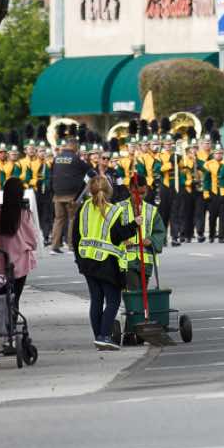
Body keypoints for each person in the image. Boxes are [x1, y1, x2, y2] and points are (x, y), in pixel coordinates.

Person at [75, 174, 137, 349]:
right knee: (113, 301)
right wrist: (135, 224)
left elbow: (75, 236)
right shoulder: (114, 210)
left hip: (87, 260)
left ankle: (99, 337)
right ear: (109, 191)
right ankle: (104, 336)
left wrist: (78, 260)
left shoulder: (83, 208)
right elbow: (117, 237)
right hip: (107, 262)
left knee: (96, 300)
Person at [0, 177, 40, 313]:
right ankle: (13, 320)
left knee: (3, 297)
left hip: (1, 262)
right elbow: (33, 239)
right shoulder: (24, 213)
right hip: (21, 262)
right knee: (15, 298)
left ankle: (4, 321)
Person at [46, 131, 89, 254]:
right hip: (72, 195)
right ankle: (71, 246)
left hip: (57, 195)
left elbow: (52, 174)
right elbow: (89, 171)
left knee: (58, 219)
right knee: (72, 219)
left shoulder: (57, 158)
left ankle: (54, 246)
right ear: (74, 146)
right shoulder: (76, 159)